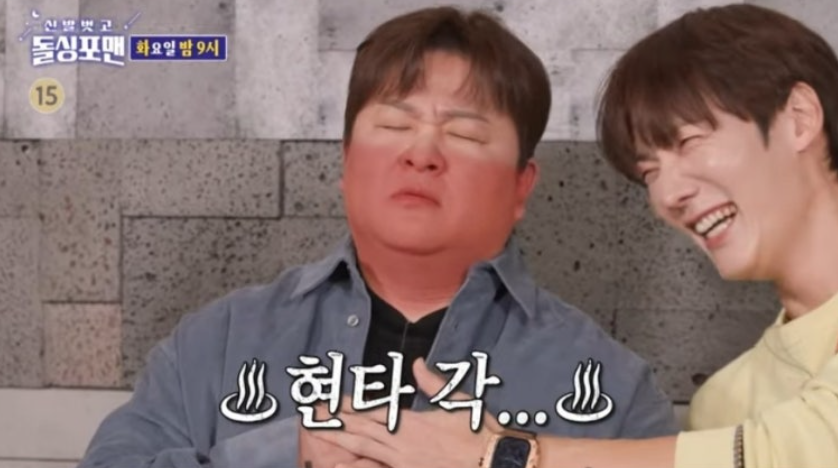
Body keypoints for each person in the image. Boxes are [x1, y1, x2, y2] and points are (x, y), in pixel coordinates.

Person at [77, 6, 677, 468]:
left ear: (522, 186)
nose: (422, 153)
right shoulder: (219, 343)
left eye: (464, 135)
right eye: (393, 124)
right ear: (345, 161)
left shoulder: (607, 384)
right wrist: (286, 451)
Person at [312, 4, 838, 468]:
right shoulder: (726, 403)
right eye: (650, 172)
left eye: (689, 141)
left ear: (798, 118)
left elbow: (800, 447)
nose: (668, 194)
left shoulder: (619, 388)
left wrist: (504, 455)